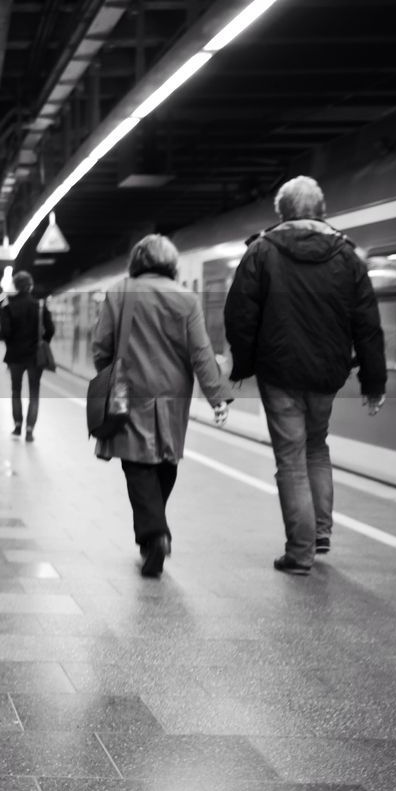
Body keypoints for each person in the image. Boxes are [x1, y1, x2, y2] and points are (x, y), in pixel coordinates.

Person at [223, 176, 386, 576]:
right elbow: (367, 322)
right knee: (316, 447)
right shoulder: (347, 256)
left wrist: (243, 365)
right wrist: (374, 382)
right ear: (321, 211)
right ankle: (320, 532)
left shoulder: (261, 251)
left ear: (282, 213)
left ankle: (300, 551)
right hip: (327, 372)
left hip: (279, 372)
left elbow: (240, 315)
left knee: (291, 458)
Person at [92, 235, 231, 578]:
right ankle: (153, 533)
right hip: (172, 397)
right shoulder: (186, 299)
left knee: (137, 467)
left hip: (129, 392)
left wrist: (107, 373)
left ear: (137, 261)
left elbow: (101, 345)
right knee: (166, 462)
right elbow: (201, 352)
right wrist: (217, 397)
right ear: (171, 263)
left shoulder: (120, 292)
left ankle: (155, 535)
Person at [0, 271, 54, 442]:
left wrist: (11, 343)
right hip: (34, 356)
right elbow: (50, 329)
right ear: (30, 286)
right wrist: (42, 342)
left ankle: (17, 426)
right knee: (34, 392)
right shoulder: (39, 305)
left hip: (15, 355)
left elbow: (5, 332)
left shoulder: (8, 306)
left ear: (15, 285)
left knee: (16, 390)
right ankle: (29, 430)